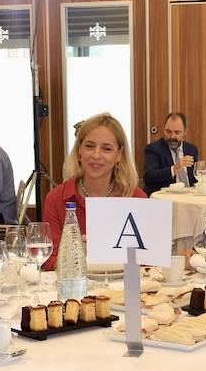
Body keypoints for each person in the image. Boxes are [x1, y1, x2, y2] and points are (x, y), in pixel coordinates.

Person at [41, 112, 146, 269]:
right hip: (74, 289)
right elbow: (48, 259)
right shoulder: (56, 199)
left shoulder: (137, 199)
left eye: (107, 149)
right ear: (79, 151)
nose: (96, 155)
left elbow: (148, 261)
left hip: (122, 289)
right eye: (89, 146)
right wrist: (76, 257)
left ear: (119, 155)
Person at [143, 111, 199, 193]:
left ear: (185, 132)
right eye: (168, 132)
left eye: (177, 132)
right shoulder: (153, 149)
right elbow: (149, 177)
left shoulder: (191, 149)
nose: (172, 137)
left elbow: (195, 178)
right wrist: (175, 168)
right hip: (164, 199)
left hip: (188, 197)